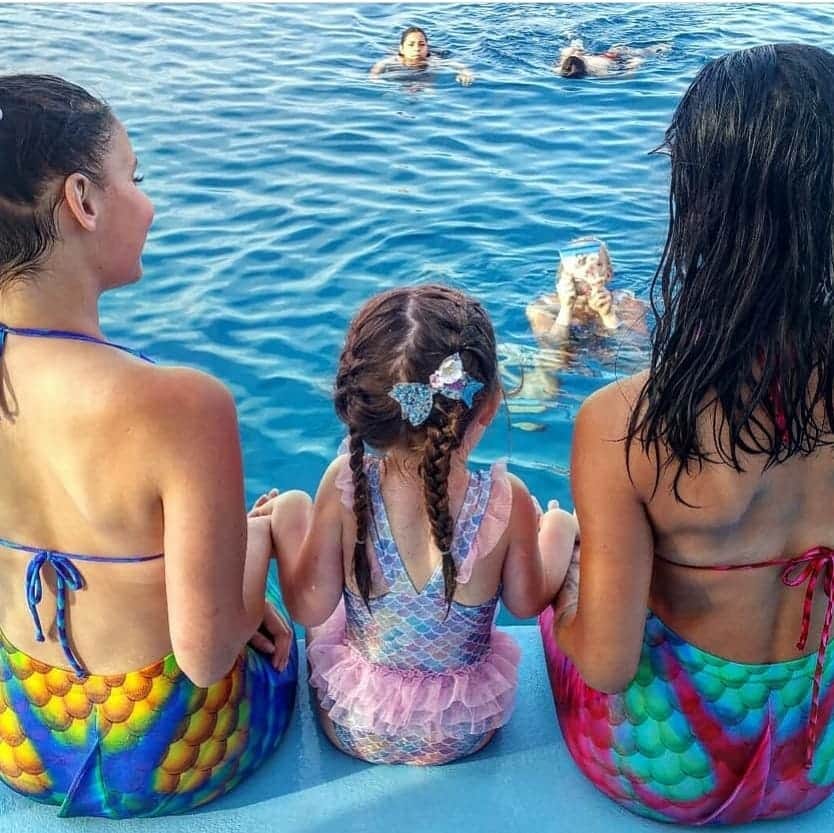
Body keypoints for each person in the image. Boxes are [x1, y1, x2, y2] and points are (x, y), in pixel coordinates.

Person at [540, 44, 834, 823]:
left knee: (565, 575)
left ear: (696, 203)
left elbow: (604, 662)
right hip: (817, 751)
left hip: (672, 766)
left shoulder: (622, 422)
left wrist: (562, 605)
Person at [0, 75, 297, 818]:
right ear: (84, 201)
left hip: (19, 736)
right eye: (135, 178)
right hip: (170, 754)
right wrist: (255, 544)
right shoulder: (182, 403)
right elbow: (205, 653)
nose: (149, 203)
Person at [254, 284, 575, 764]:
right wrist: (560, 530)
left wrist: (280, 527)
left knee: (298, 515)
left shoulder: (345, 483)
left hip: (356, 726)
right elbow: (527, 601)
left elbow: (308, 607)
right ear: (488, 404)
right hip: (464, 732)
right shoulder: (508, 501)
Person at [370, 26, 475, 86]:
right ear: (402, 48)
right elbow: (379, 66)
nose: (417, 49)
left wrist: (465, 72)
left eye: (422, 44)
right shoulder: (395, 59)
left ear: (427, 48)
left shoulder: (433, 60)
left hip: (424, 71)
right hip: (403, 67)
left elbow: (457, 65)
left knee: (429, 88)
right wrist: (375, 78)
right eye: (411, 45)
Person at [556, 38, 669, 78]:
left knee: (640, 57)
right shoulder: (598, 72)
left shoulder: (599, 73)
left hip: (614, 58)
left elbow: (628, 75)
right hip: (610, 57)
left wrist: (634, 66)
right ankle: (665, 46)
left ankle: (664, 46)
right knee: (640, 56)